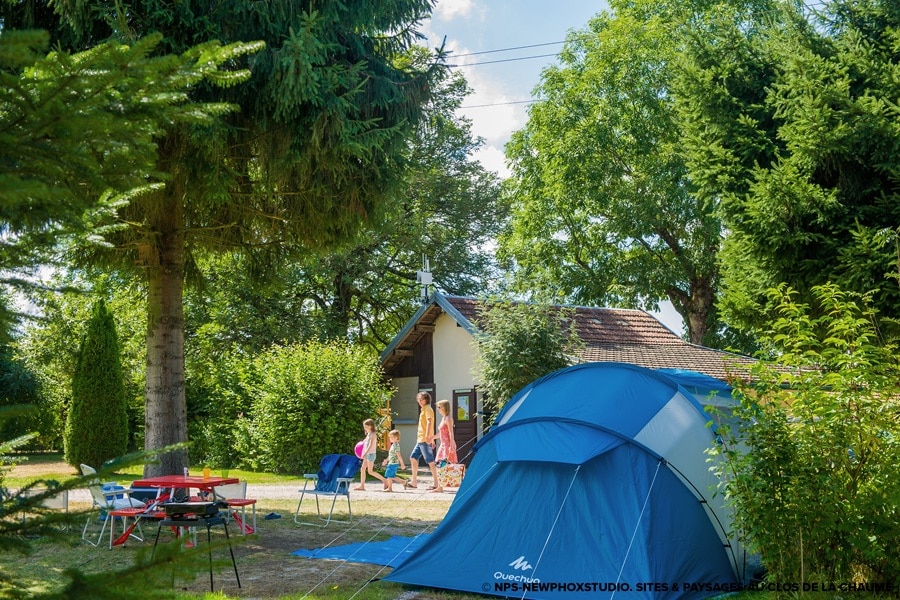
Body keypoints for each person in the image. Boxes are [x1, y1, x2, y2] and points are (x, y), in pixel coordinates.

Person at [408, 391, 443, 492]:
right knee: (413, 458)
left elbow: (429, 422)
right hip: (420, 440)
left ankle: (436, 483)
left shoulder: (428, 409)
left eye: (420, 399)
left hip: (424, 439)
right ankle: (414, 481)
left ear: (425, 400)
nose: (418, 401)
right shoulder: (423, 409)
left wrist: (429, 436)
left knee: (430, 461)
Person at [354, 418, 386, 491]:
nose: (364, 428)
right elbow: (364, 442)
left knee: (370, 471)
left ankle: (384, 480)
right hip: (367, 454)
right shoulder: (368, 434)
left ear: (370, 426)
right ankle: (362, 486)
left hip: (370, 454)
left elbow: (370, 445)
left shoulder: (373, 434)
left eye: (366, 426)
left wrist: (364, 453)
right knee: (362, 469)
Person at [435, 399, 458, 465]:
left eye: (439, 407)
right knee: (440, 464)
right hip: (443, 445)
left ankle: (453, 475)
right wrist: (431, 438)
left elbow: (451, 432)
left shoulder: (448, 418)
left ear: (444, 407)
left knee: (447, 465)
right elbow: (442, 433)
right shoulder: (444, 418)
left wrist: (451, 445)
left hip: (448, 445)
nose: (438, 409)